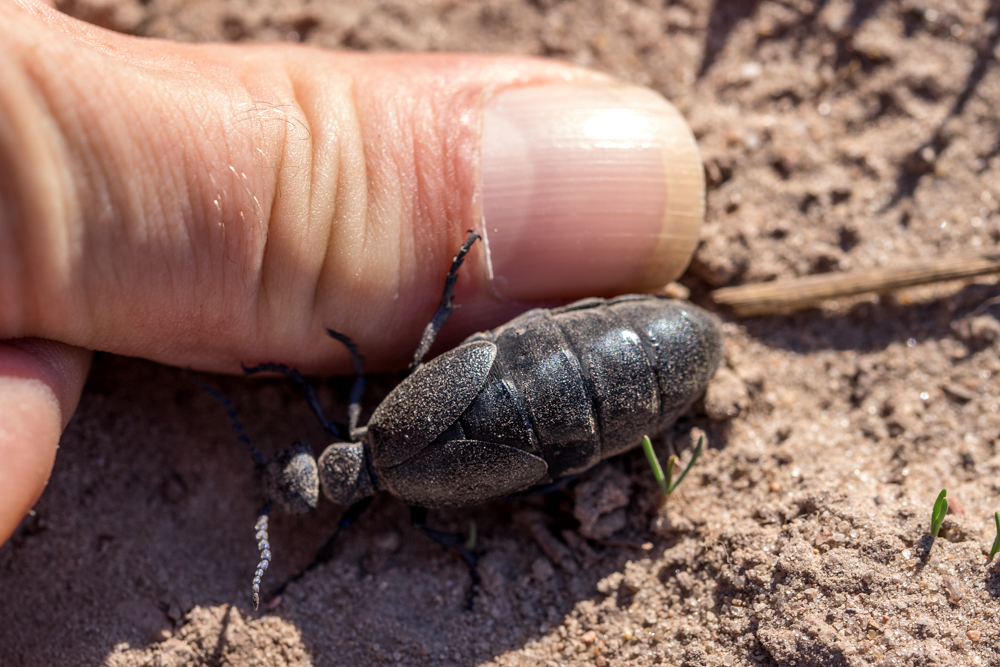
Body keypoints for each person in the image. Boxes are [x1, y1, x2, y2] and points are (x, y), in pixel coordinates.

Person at [0, 0, 706, 544]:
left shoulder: (415, 485)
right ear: (323, 459)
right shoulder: (389, 433)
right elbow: (423, 345)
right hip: (587, 353)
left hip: (600, 400)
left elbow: (488, 444)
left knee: (534, 451)